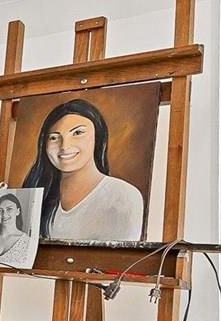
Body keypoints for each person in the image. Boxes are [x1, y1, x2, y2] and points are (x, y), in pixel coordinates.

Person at [22, 98, 145, 241]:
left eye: (78, 133)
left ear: (98, 137)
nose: (64, 146)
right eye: (54, 138)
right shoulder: (35, 195)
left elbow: (121, 254)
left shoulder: (123, 196)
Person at [0, 192, 34, 266]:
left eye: (9, 209)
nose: (4, 214)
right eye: (0, 210)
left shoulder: (28, 242)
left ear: (18, 211)